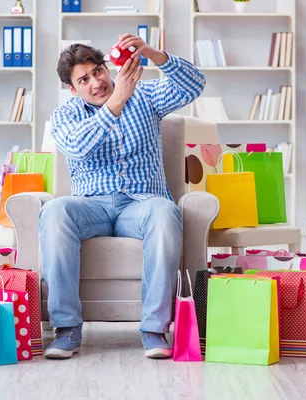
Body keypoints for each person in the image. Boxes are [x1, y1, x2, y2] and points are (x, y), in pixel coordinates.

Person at [40, 33, 206, 360]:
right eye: (84, 80)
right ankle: (67, 329)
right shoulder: (65, 115)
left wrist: (154, 55)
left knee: (164, 211)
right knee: (55, 211)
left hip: (142, 204)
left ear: (107, 67)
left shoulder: (144, 95)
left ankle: (154, 329)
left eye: (98, 71)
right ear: (72, 89)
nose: (96, 82)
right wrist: (116, 104)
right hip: (91, 207)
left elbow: (194, 85)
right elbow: (77, 147)